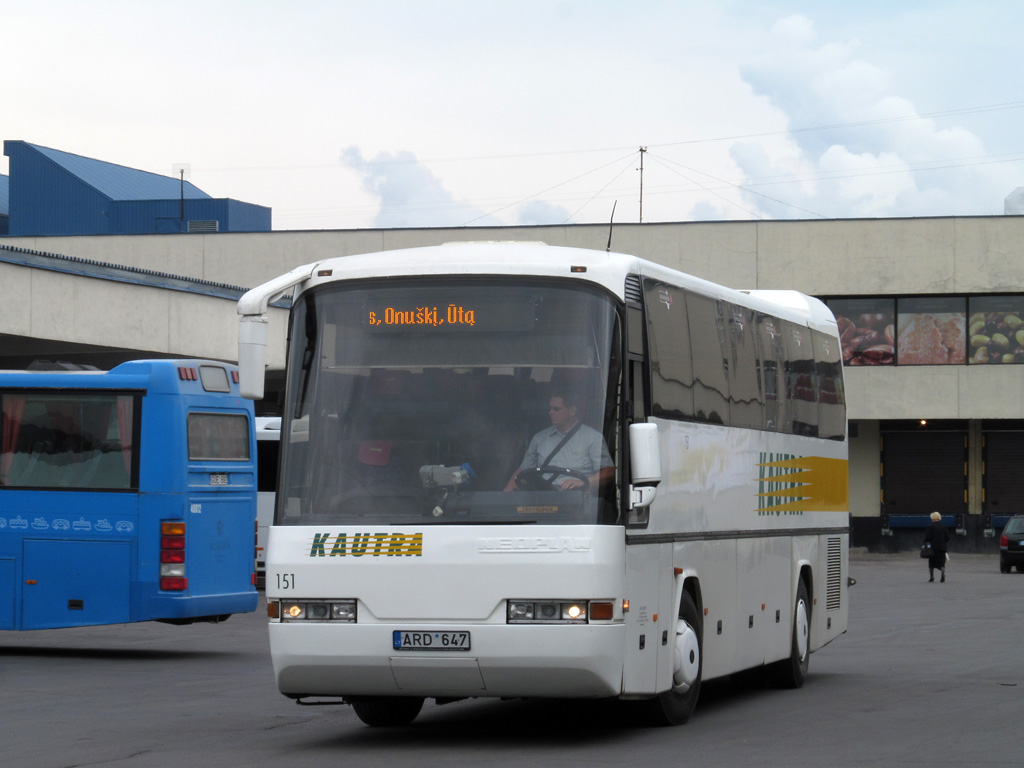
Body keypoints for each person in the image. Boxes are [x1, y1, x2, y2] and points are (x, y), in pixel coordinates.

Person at [504, 392, 613, 492]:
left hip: (579, 504)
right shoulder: (539, 438)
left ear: (572, 411)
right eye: (550, 408)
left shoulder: (593, 438)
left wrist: (584, 482)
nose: (551, 412)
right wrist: (504, 497)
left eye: (556, 409)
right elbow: (523, 471)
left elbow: (609, 472)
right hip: (542, 502)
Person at [923, 511, 950, 582]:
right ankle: (942, 574)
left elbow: (927, 538)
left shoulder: (930, 527)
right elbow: (947, 537)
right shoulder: (943, 527)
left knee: (931, 563)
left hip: (932, 548)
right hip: (942, 547)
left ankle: (932, 577)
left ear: (932, 518)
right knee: (941, 563)